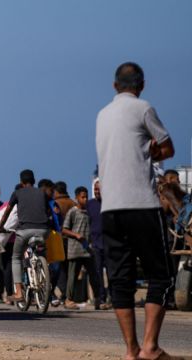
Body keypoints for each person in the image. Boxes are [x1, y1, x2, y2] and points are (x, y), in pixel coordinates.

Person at [96, 62, 175, 360]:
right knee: (161, 275)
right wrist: (154, 151)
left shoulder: (102, 115)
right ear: (141, 85)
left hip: (110, 208)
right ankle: (150, 347)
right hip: (141, 204)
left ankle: (131, 349)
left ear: (115, 86)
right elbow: (168, 148)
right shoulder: (143, 108)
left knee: (120, 279)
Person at [0, 169, 51, 303]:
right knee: (40, 251)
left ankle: (18, 292)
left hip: (25, 231)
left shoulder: (17, 193)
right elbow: (48, 211)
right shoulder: (42, 193)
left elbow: (7, 212)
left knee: (16, 258)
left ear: (21, 182)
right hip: (44, 230)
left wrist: (1, 226)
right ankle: (42, 272)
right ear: (34, 180)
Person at [61, 186, 105, 310]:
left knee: (94, 275)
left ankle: (98, 300)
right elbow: (64, 230)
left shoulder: (89, 212)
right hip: (75, 250)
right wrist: (76, 235)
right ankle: (69, 300)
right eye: (82, 197)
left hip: (88, 249)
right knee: (72, 276)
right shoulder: (73, 211)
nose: (85, 199)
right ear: (77, 198)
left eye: (86, 197)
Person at [86, 178, 110, 308]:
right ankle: (100, 298)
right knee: (97, 273)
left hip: (109, 244)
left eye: (99, 189)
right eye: (95, 189)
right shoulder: (90, 204)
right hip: (95, 244)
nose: (97, 191)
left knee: (112, 272)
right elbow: (87, 223)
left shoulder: (110, 203)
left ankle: (113, 297)